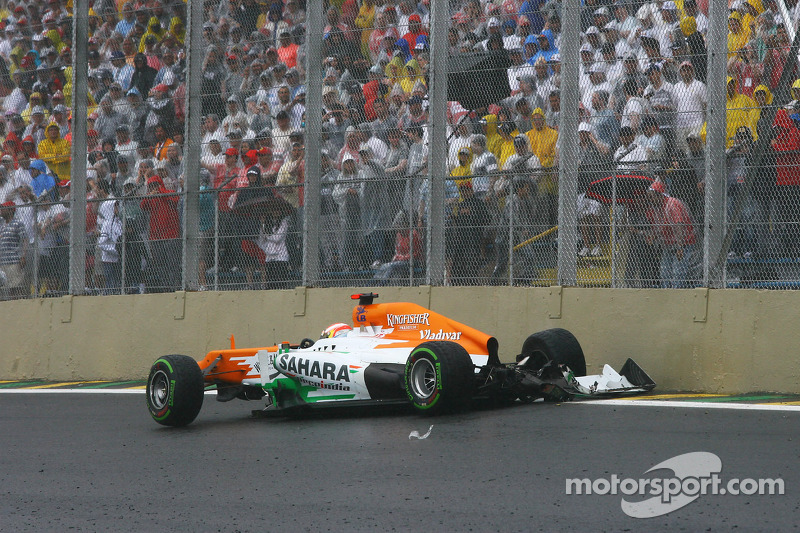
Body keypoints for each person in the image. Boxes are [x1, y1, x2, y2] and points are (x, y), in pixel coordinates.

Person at [646, 180, 697, 288]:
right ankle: (667, 292)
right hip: (669, 243)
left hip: (684, 242)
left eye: (651, 197)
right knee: (664, 272)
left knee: (678, 272)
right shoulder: (658, 208)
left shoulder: (672, 204)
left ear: (659, 195)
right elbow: (661, 226)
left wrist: (680, 247)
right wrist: (653, 236)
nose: (650, 201)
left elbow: (679, 226)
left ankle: (677, 293)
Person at [140, 175, 181, 292]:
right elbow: (143, 206)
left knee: (172, 263)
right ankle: (165, 287)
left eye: (155, 185)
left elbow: (175, 199)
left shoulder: (169, 193)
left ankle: (174, 287)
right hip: (156, 237)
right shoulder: (151, 198)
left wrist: (161, 191)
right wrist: (150, 195)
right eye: (151, 186)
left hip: (170, 235)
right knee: (160, 264)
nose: (153, 188)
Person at [0, 201, 27, 299]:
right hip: (2, 261)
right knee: (3, 287)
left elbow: (24, 239)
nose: (1, 210)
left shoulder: (18, 223)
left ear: (11, 210)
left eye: (4, 208)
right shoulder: (1, 224)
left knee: (15, 286)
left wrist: (23, 256)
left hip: (14, 261)